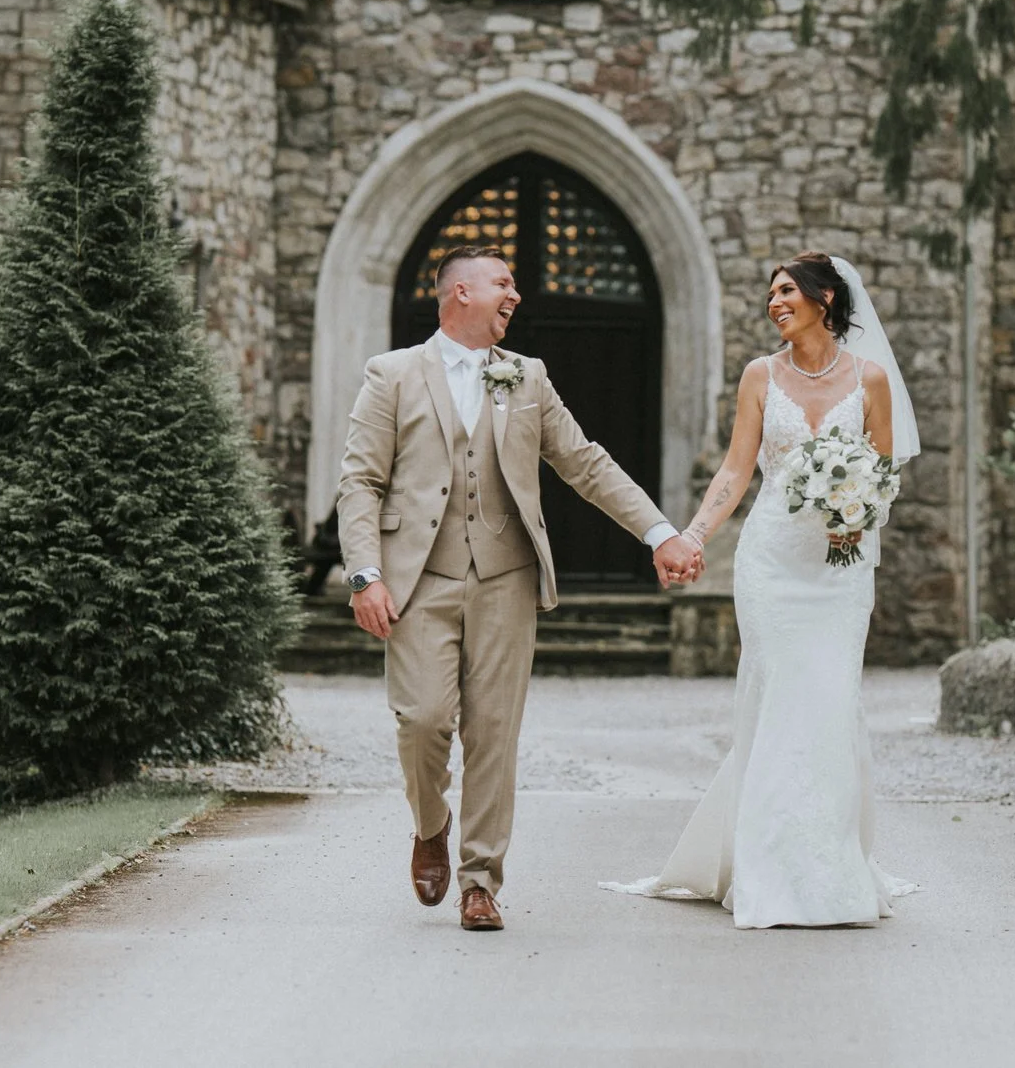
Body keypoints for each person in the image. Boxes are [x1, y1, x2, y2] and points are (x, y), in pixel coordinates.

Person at [335, 245, 704, 931]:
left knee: (494, 734)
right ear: (458, 294)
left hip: (504, 577)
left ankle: (480, 880)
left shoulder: (526, 376)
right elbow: (360, 481)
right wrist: (366, 573)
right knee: (421, 720)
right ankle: (429, 822)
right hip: (417, 580)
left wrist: (660, 533)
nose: (516, 295)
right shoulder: (389, 375)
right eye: (504, 282)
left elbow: (585, 463)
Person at [606, 251, 920, 927]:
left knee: (832, 699)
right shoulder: (759, 376)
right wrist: (691, 535)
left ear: (824, 297)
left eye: (787, 290)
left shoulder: (869, 380)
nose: (775, 301)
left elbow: (884, 475)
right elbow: (735, 470)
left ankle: (832, 866)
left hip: (840, 565)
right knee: (778, 696)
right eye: (770, 292)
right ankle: (770, 868)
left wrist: (854, 517)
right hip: (772, 559)